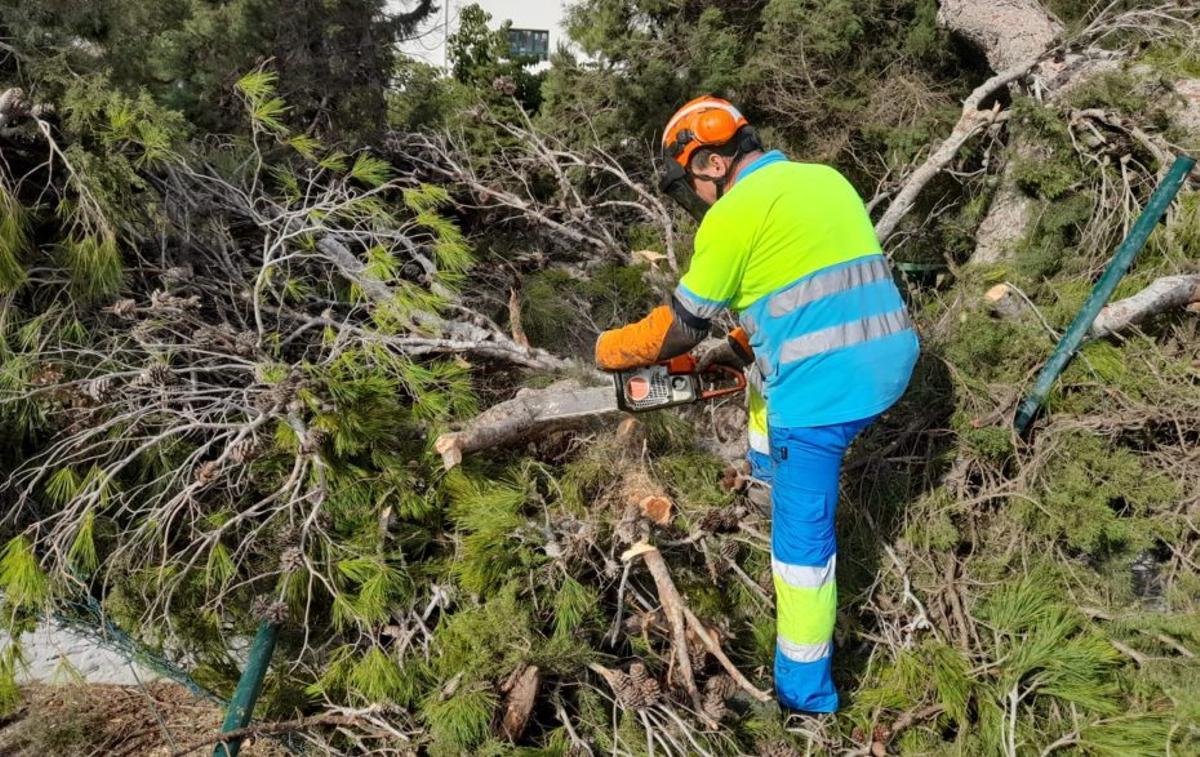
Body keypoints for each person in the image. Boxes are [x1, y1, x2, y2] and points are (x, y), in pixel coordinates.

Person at [593, 95, 919, 713]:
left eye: (692, 179)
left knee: (802, 551)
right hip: (893, 358)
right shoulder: (823, 178)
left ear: (713, 163)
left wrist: (612, 350)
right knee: (761, 387)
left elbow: (679, 330)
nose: (695, 193)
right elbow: (814, 283)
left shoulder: (733, 213)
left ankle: (804, 692)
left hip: (826, 394)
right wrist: (741, 345)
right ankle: (766, 476)